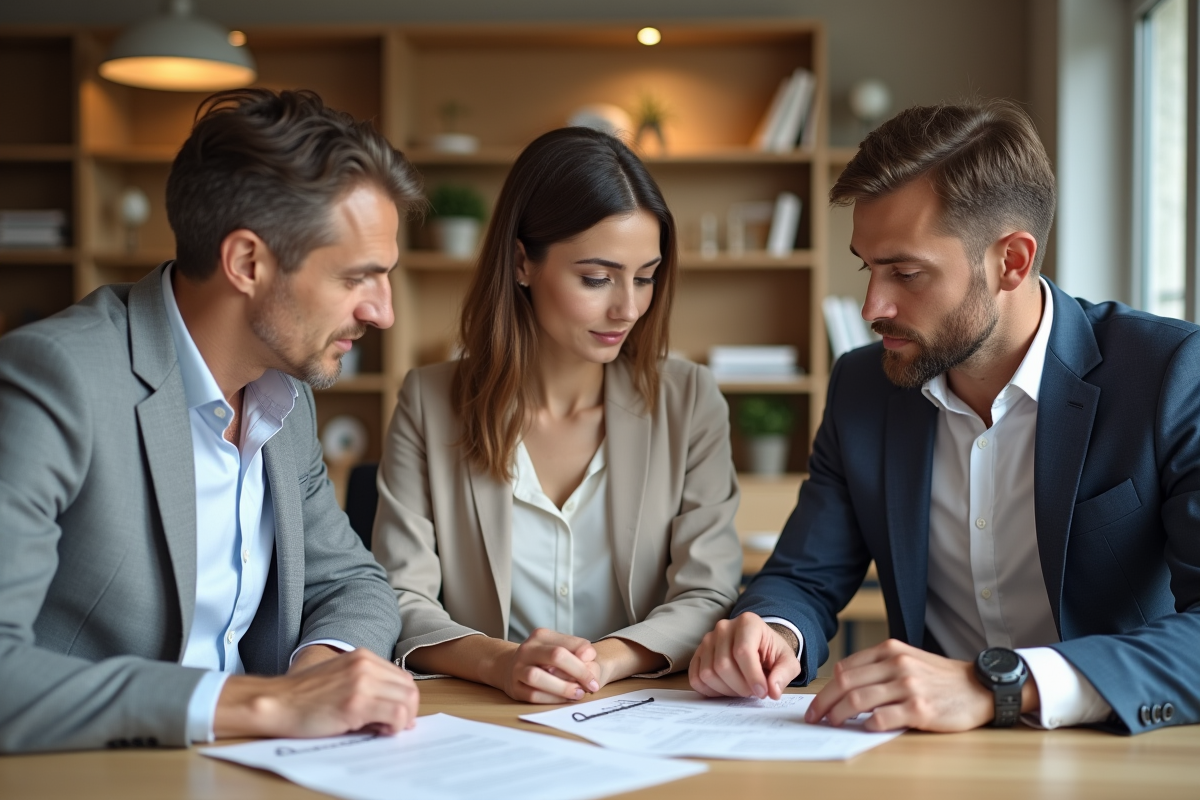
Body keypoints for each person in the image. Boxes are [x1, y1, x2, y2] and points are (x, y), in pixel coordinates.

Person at [690, 98, 1200, 735]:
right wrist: (771, 633)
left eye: (906, 272)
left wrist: (1002, 685)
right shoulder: (861, 384)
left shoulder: (1169, 372)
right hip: (922, 758)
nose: (873, 305)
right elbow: (805, 575)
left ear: (1011, 261)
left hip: (1106, 752)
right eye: (867, 268)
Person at [0, 89, 423, 753]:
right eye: (358, 278)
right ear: (248, 262)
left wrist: (321, 676)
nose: (382, 313)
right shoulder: (56, 379)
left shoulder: (286, 395)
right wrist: (264, 701)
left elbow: (351, 582)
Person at [372, 126, 743, 703]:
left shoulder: (689, 401)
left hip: (639, 712)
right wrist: (503, 663)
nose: (628, 308)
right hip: (485, 715)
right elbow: (400, 596)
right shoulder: (428, 402)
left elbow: (709, 594)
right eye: (596, 278)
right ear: (522, 263)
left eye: (645, 278)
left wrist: (602, 661)